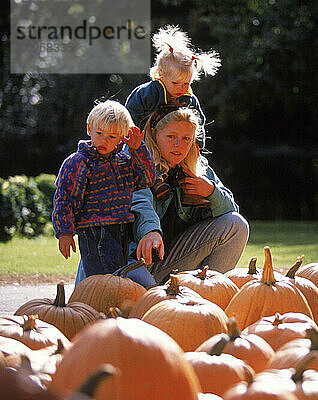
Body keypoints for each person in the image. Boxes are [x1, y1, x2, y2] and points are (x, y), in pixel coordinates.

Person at [74, 105, 249, 286]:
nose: (178, 145)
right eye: (171, 137)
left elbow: (230, 209)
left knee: (236, 225)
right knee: (141, 296)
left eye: (186, 138)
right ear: (154, 133)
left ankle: (204, 299)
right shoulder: (133, 160)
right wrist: (150, 231)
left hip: (169, 259)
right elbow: (139, 201)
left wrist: (210, 192)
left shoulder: (197, 166)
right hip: (129, 258)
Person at [52, 100, 156, 278]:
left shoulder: (123, 161)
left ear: (123, 136)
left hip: (121, 227)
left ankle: (110, 305)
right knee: (103, 278)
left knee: (118, 277)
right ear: (89, 129)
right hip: (94, 230)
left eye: (112, 137)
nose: (103, 140)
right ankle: (97, 304)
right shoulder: (78, 162)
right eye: (99, 133)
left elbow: (146, 179)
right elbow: (65, 199)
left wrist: (138, 149)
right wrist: (65, 231)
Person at [125, 25, 220, 150]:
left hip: (177, 145)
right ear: (160, 76)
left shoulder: (190, 99)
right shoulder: (148, 93)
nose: (181, 88)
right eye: (175, 83)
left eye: (186, 83)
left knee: (204, 166)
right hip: (145, 141)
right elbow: (130, 113)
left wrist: (197, 145)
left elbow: (199, 121)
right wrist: (136, 139)